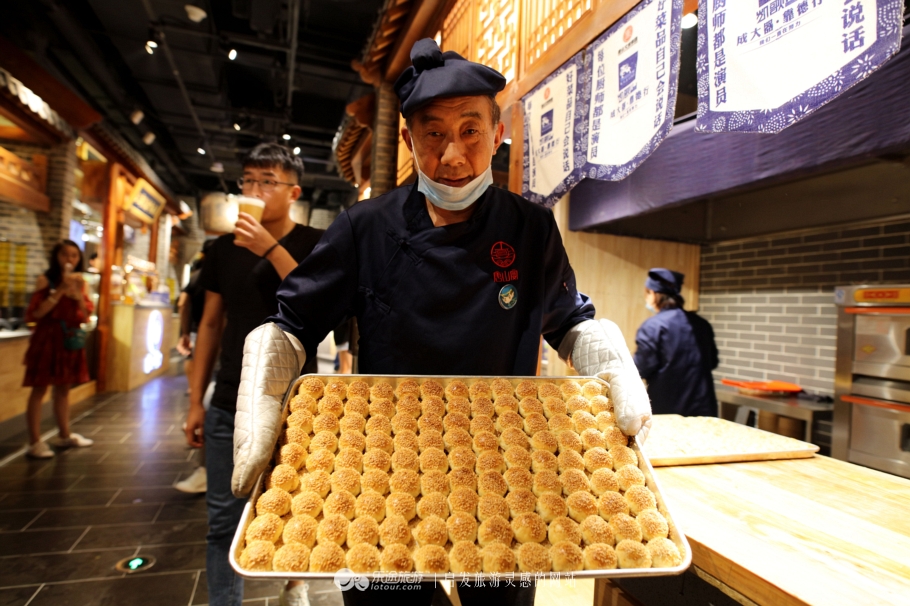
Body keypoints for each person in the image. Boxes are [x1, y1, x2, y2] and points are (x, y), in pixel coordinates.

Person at [231, 39, 652, 606]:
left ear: (497, 133)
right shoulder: (365, 227)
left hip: (506, 473)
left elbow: (568, 320)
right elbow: (292, 324)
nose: (453, 154)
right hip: (384, 469)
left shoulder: (529, 228)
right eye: (434, 133)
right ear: (408, 140)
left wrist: (612, 361)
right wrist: (261, 391)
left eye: (471, 131)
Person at [183, 143, 325, 606]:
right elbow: (209, 323)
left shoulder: (314, 244)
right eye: (248, 180)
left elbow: (319, 307)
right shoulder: (223, 249)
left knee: (300, 504)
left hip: (297, 402)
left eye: (267, 181)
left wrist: (271, 249)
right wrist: (193, 399)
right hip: (229, 398)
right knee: (223, 518)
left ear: (293, 191)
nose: (255, 189)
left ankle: (296, 582)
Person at [23, 240, 94, 459]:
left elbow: (86, 315)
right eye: (65, 255)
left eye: (74, 256)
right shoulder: (45, 280)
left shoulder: (81, 283)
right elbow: (36, 313)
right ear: (56, 257)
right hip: (47, 339)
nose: (70, 260)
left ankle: (65, 434)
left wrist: (78, 297)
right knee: (39, 388)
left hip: (69, 340)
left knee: (64, 389)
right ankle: (35, 441)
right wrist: (60, 291)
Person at [633, 268, 719, 417]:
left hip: (667, 409)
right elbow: (713, 362)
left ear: (654, 294)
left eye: (648, 293)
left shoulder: (653, 326)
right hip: (703, 408)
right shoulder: (702, 324)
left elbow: (641, 368)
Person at [174, 242, 213, 494]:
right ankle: (205, 470)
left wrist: (185, 332)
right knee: (209, 399)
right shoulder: (205, 274)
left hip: (209, 337)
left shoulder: (201, 273)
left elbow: (183, 302)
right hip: (209, 338)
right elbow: (186, 303)